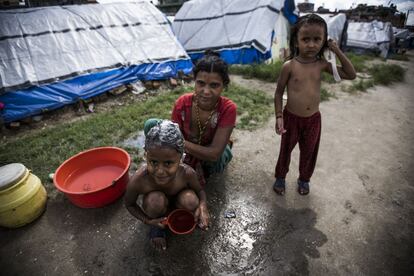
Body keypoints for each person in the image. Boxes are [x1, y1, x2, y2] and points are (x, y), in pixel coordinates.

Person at [273, 14, 356, 196]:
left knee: (309, 152)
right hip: (291, 118)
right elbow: (279, 92)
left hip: (313, 120)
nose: (311, 44)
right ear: (296, 41)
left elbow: (351, 74)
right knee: (285, 150)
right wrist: (279, 116)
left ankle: (304, 179)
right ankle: (280, 176)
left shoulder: (322, 65)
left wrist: (337, 50)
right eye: (305, 39)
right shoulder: (289, 66)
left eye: (317, 39)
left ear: (324, 41)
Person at [145, 51, 237, 187]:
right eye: (201, 83)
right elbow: (173, 137)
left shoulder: (228, 109)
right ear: (195, 82)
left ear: (224, 85)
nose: (206, 91)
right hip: (189, 147)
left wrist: (178, 143)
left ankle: (202, 167)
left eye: (214, 85)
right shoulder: (182, 104)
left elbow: (214, 154)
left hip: (212, 154)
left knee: (216, 160)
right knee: (151, 125)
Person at [125, 120, 209, 250]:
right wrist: (148, 221)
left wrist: (203, 207)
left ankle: (182, 216)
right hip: (156, 209)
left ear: (181, 158)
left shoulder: (187, 173)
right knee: (155, 201)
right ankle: (157, 228)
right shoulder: (140, 180)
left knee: (191, 200)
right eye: (153, 162)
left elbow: (200, 191)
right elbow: (129, 204)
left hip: (179, 203)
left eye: (168, 163)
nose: (160, 171)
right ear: (145, 155)